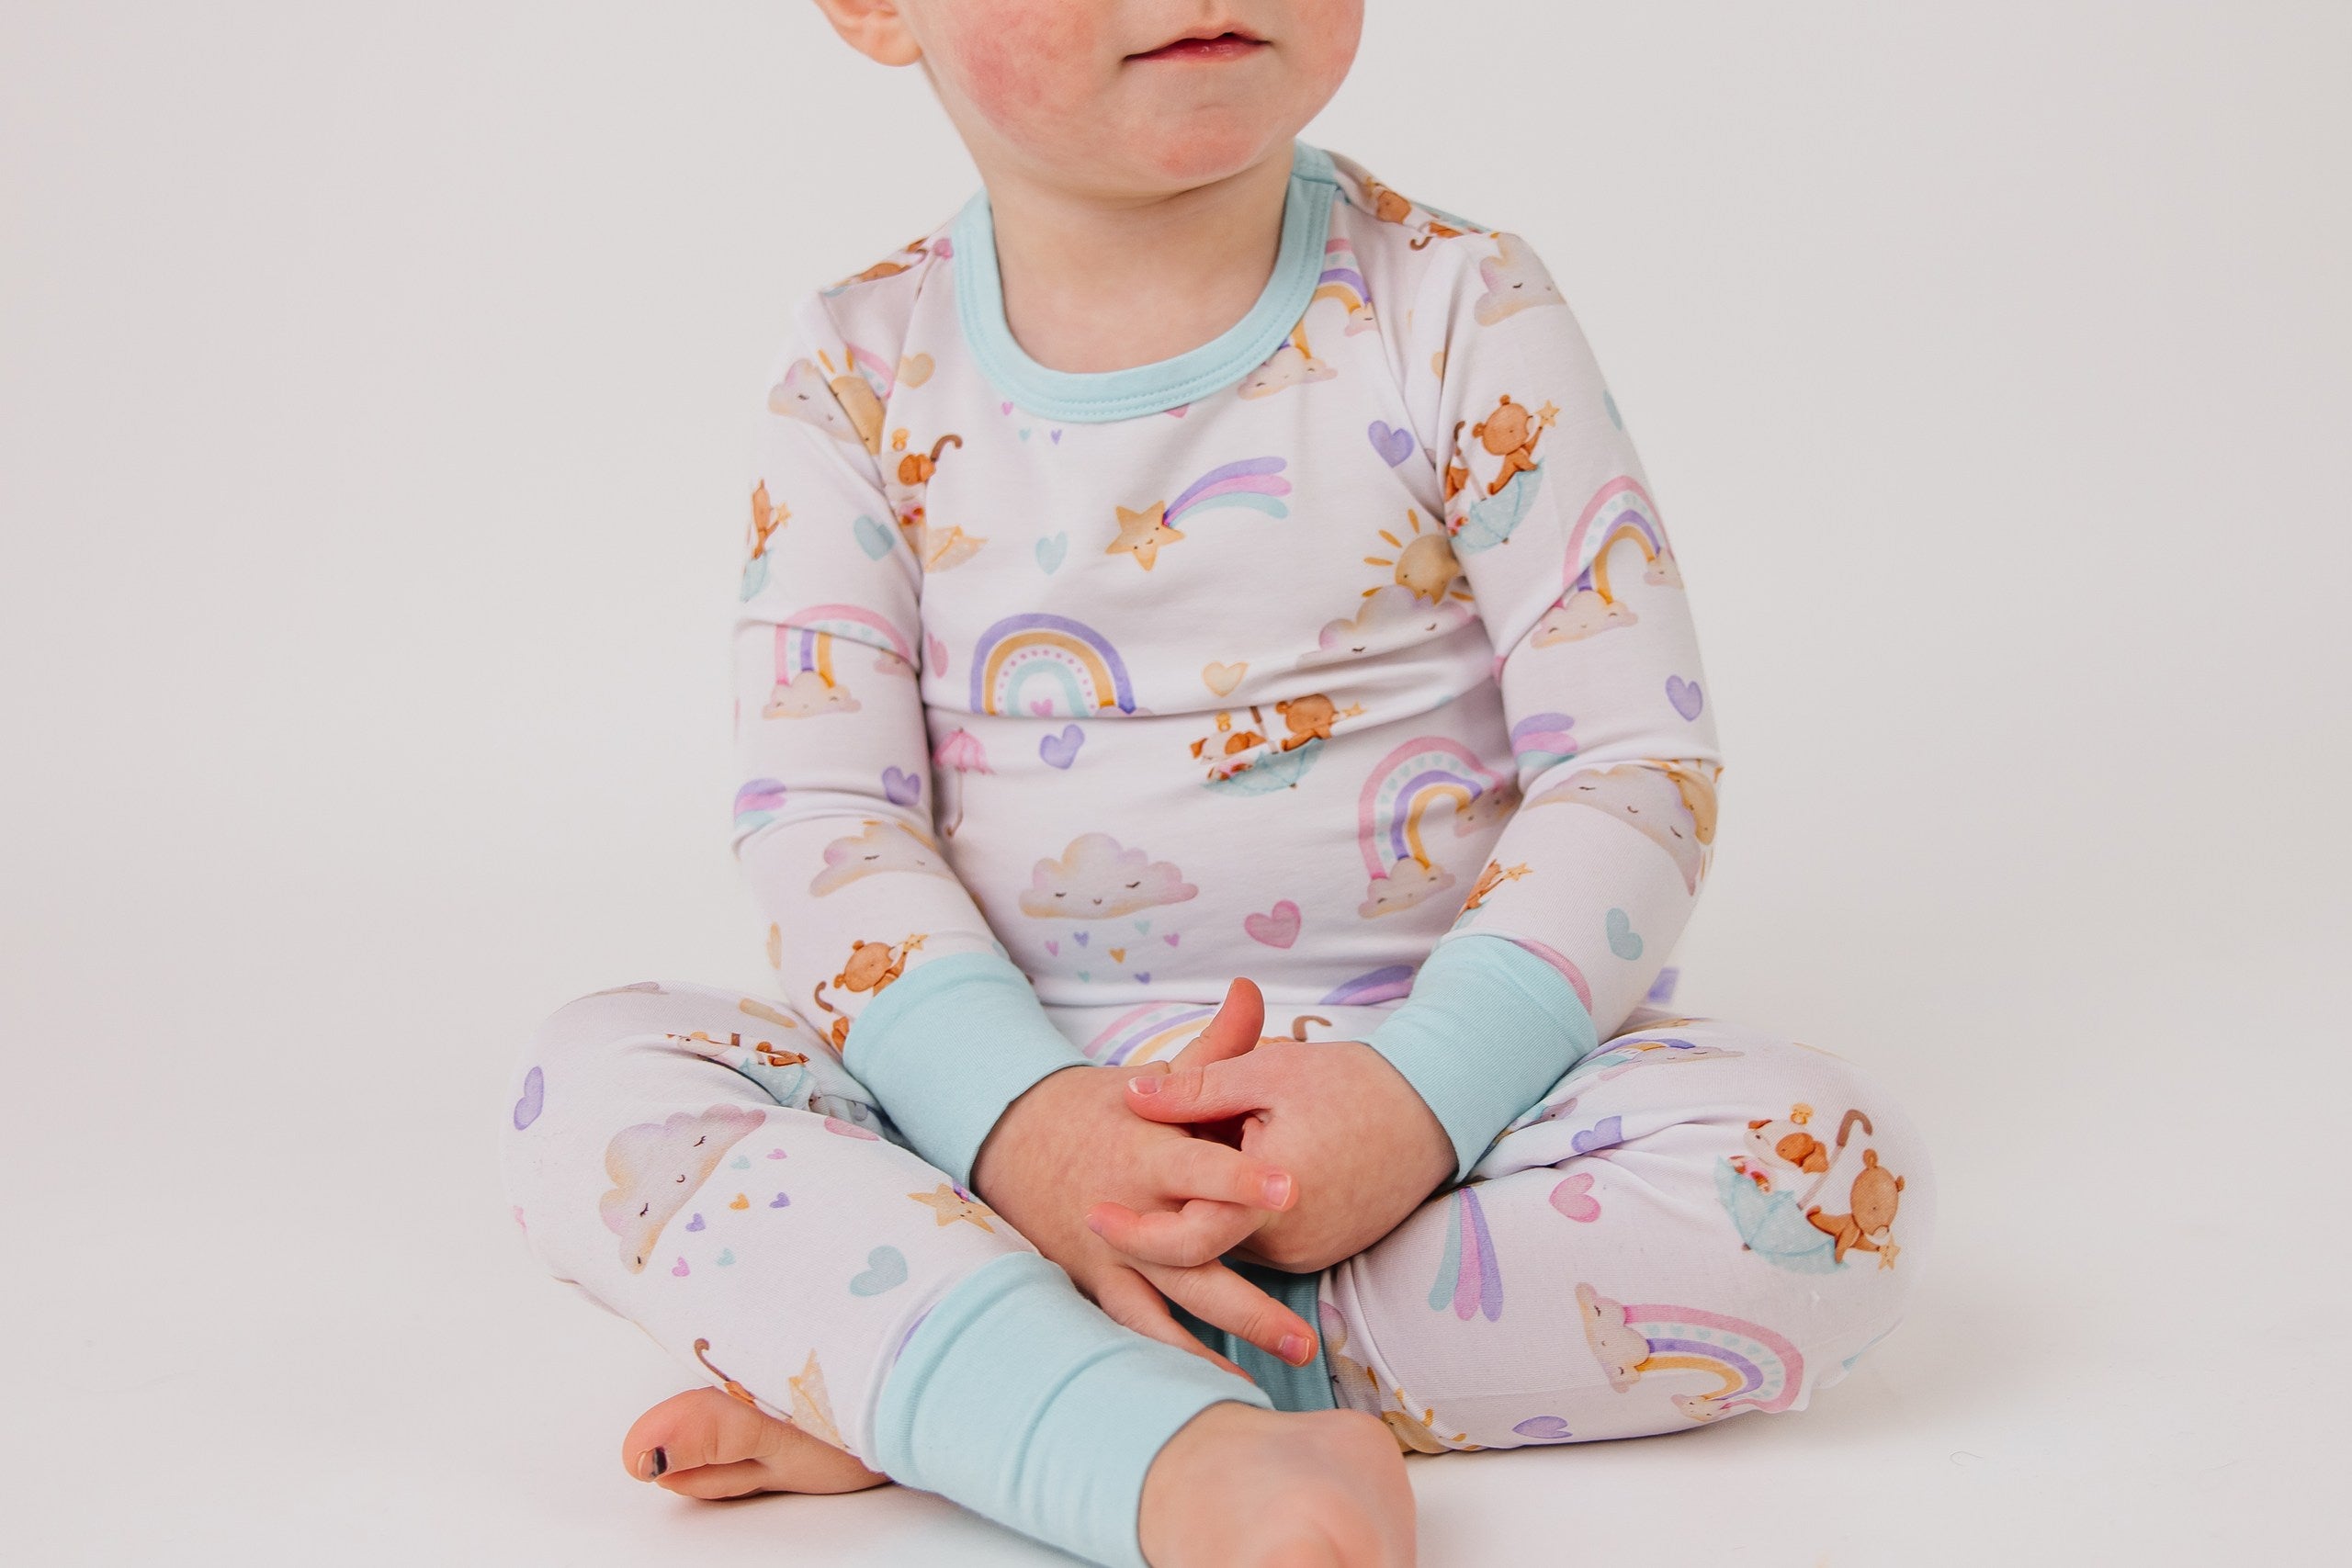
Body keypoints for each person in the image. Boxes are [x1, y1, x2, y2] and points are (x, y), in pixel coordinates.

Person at [497, 4, 1939, 1564]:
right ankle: (1116, 1428)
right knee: (594, 1086)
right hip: (982, 1126)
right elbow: (824, 818)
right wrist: (1028, 1128)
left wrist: (1415, 1100)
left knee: (1820, 1180)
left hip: (1428, 1114)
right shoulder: (858, 368)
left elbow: (1630, 761)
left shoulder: (1461, 305)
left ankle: (945, 1375)